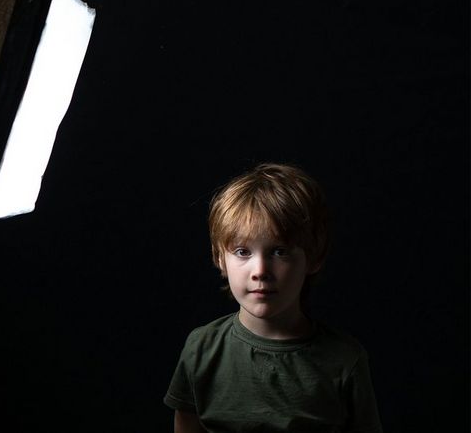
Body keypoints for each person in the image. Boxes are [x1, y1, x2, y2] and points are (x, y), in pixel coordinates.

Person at [164, 163, 383, 433]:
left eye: (279, 251)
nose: (260, 272)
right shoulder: (201, 349)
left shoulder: (345, 360)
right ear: (220, 258)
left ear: (313, 257)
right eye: (243, 252)